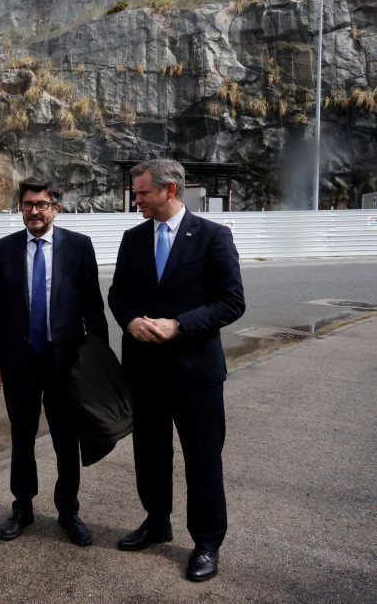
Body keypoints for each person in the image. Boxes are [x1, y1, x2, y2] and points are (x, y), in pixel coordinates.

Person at [108, 159, 245, 582]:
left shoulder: (212, 237)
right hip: (144, 371)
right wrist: (130, 321)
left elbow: (232, 302)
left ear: (169, 190)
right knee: (149, 454)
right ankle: (156, 521)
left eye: (144, 192)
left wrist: (181, 325)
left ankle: (206, 542)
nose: (137, 199)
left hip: (195, 374)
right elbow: (118, 294)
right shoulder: (133, 239)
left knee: (203, 460)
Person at [0, 176, 109, 546]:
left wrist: (96, 360)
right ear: (20, 207)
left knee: (66, 441)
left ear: (57, 207)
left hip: (64, 363)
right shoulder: (4, 248)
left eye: (41, 204)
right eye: (27, 204)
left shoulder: (78, 246)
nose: (34, 211)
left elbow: (93, 308)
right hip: (19, 361)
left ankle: (68, 511)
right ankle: (22, 507)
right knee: (21, 438)